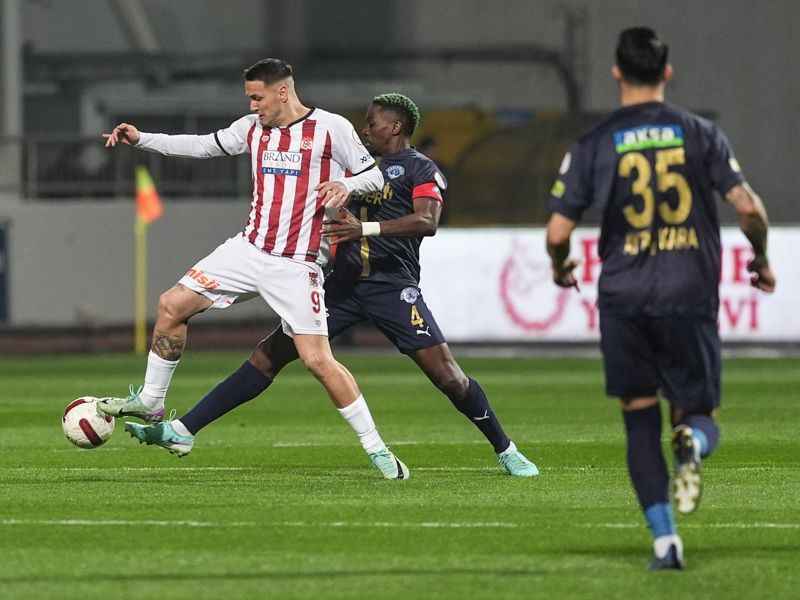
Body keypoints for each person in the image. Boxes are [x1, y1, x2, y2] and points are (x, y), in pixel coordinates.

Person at [126, 93, 539, 477]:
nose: (365, 129)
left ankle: (506, 449)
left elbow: (427, 221)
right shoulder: (349, 163)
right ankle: (183, 429)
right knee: (267, 357)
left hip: (392, 286)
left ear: (395, 127)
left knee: (447, 376)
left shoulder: (420, 168)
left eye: (373, 123)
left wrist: (365, 228)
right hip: (340, 285)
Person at [100, 59, 410, 480]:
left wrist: (346, 183)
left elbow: (374, 178)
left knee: (318, 361)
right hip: (248, 250)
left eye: (257, 97)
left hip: (296, 264)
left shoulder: (331, 128)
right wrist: (142, 139)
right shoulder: (251, 128)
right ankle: (152, 402)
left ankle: (378, 451)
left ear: (283, 92)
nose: (252, 105)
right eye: (249, 98)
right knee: (171, 305)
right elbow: (201, 145)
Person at [546, 27, 775, 569]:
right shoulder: (700, 134)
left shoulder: (594, 142)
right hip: (687, 289)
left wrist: (561, 267)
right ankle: (692, 440)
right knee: (697, 412)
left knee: (639, 418)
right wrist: (761, 259)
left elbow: (557, 233)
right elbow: (748, 208)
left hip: (623, 296)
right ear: (666, 72)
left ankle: (665, 543)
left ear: (617, 73)